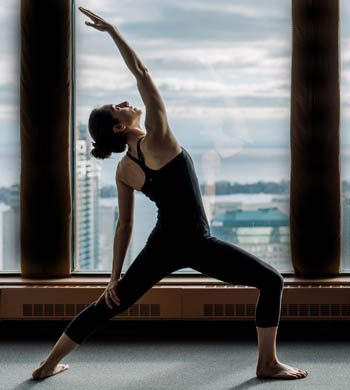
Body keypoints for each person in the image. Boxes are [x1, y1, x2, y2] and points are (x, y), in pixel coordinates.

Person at [31, 6, 308, 381]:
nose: (129, 102)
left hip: (162, 244)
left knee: (107, 304)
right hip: (196, 242)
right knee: (272, 281)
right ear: (119, 127)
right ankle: (267, 363)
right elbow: (142, 73)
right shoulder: (158, 137)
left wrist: (113, 278)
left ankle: (47, 365)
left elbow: (124, 226)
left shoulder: (124, 168)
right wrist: (113, 31)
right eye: (121, 107)